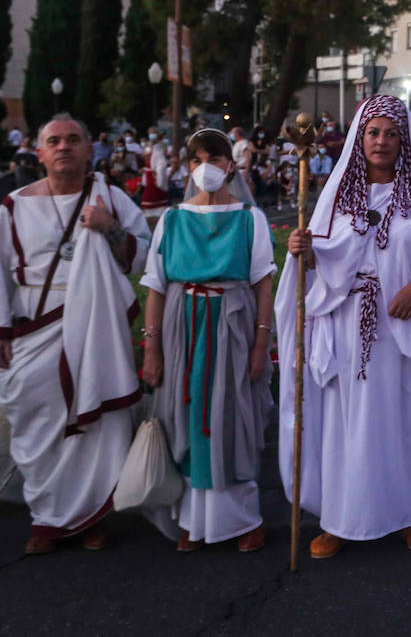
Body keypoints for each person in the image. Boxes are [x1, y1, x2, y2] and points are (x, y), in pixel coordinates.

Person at [279, 96, 411, 557]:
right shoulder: (336, 197)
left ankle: (410, 515)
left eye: (390, 133)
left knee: (402, 420)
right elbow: (316, 262)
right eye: (372, 133)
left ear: (404, 141)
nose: (381, 141)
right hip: (347, 323)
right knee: (347, 422)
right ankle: (341, 518)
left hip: (400, 325)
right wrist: (301, 248)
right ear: (359, 140)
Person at [0, 114, 151, 554]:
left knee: (98, 428)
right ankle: (47, 518)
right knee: (38, 425)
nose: (64, 147)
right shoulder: (15, 204)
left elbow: (144, 255)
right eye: (54, 140)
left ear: (90, 149)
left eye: (74, 139)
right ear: (40, 153)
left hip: (94, 325)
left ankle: (92, 519)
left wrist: (109, 227)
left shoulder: (109, 196)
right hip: (35, 325)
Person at [139, 129, 275, 552]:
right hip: (184, 326)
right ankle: (191, 519)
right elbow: (156, 287)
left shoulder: (249, 218)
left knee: (232, 415)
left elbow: (262, 285)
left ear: (230, 164)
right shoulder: (173, 218)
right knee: (186, 412)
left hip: (231, 324)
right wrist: (153, 348)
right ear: (187, 168)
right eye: (197, 160)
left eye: (214, 158)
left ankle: (241, 520)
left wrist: (259, 346)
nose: (206, 168)